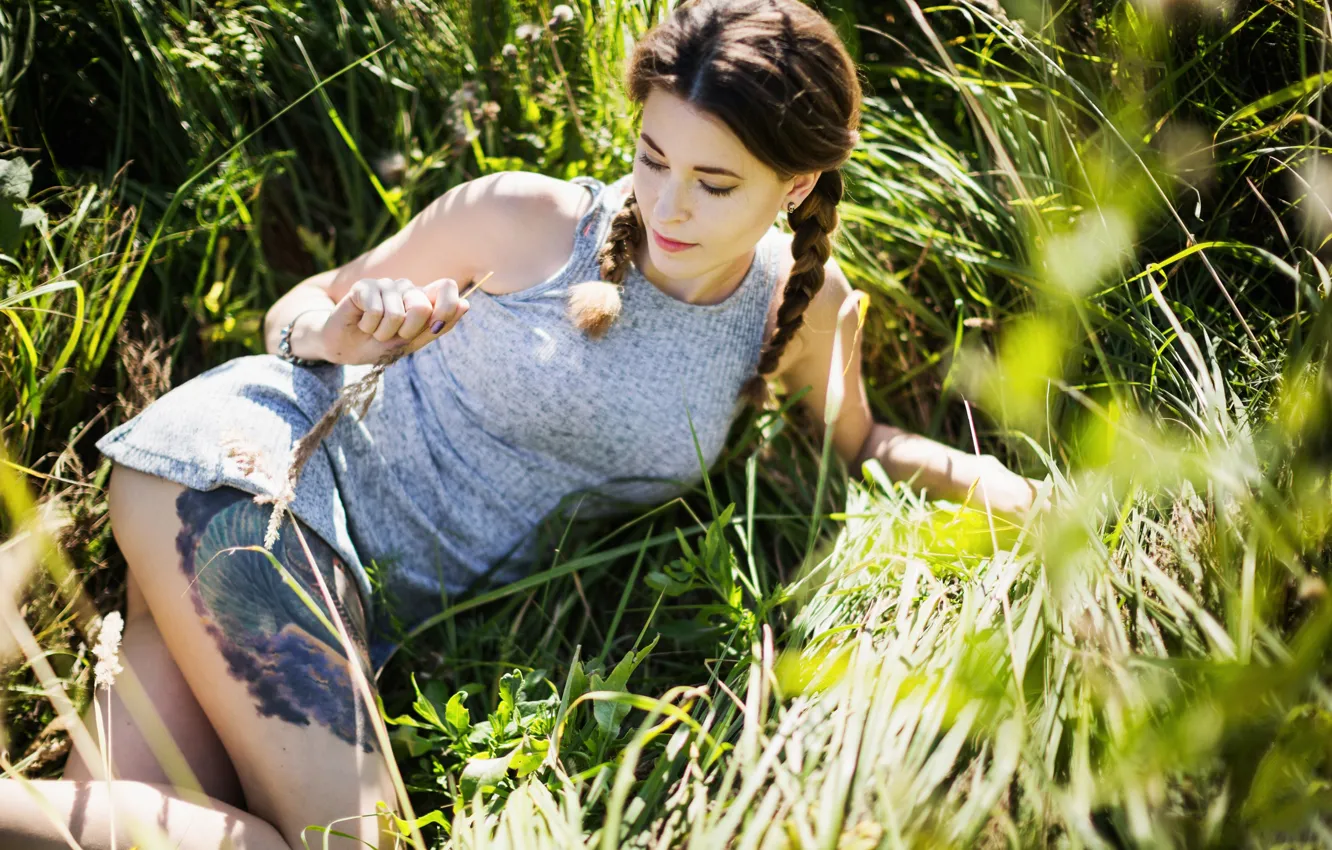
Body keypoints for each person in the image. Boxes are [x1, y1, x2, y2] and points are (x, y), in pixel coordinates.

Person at [0, 0, 1041, 847]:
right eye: (652, 157)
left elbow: (859, 441)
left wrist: (1026, 499)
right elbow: (301, 310)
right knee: (342, 845)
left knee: (106, 821)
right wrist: (345, 336)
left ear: (797, 184)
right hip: (258, 476)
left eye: (715, 183)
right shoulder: (529, 220)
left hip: (351, 592)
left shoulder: (799, 307)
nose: (670, 205)